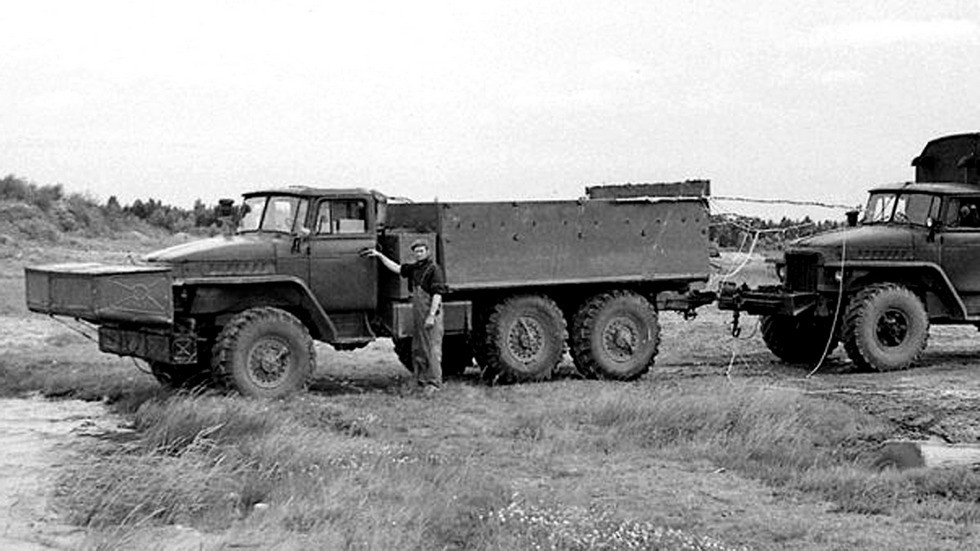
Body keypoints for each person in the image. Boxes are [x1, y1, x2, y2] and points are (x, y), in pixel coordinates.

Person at [363, 239, 446, 393]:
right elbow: (397, 268)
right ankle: (420, 380)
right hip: (419, 316)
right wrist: (380, 256)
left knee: (432, 350)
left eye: (421, 251)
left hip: (430, 315)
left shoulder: (434, 270)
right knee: (418, 348)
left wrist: (431, 316)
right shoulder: (414, 268)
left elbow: (437, 295)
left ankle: (434, 383)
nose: (419, 254)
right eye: (416, 251)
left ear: (428, 251)